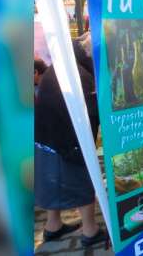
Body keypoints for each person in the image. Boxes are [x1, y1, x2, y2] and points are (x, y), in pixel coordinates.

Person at [35, 32, 107, 247]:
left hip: (44, 137)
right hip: (69, 142)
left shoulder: (60, 66)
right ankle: (90, 231)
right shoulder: (81, 76)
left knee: (50, 182)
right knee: (82, 182)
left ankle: (52, 226)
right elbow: (96, 112)